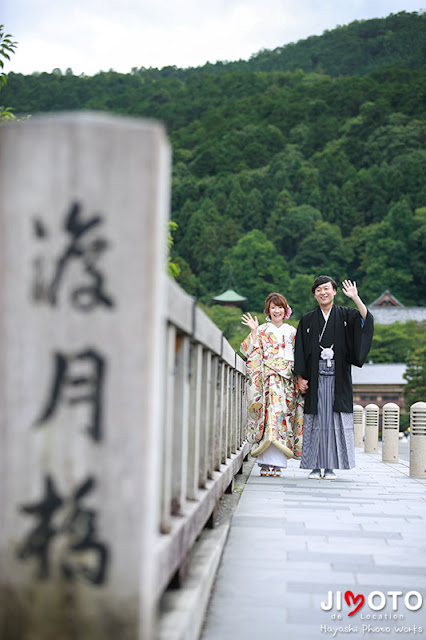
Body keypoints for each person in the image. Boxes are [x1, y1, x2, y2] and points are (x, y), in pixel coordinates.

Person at [294, 276, 374, 479]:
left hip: (338, 379)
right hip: (315, 377)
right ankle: (314, 466)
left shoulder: (347, 315)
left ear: (335, 291)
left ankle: (330, 467)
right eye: (319, 289)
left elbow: (366, 321)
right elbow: (300, 350)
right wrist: (300, 377)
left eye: (326, 289)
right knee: (316, 420)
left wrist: (356, 298)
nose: (323, 293)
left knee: (333, 422)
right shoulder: (307, 320)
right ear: (314, 294)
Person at [240, 292, 304, 477]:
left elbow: (299, 356)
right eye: (273, 307)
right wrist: (253, 330)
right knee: (269, 419)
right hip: (267, 381)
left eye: (280, 307)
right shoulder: (262, 330)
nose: (277, 310)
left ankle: (277, 464)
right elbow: (249, 351)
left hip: (286, 381)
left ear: (286, 310)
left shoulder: (292, 331)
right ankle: (265, 464)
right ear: (268, 310)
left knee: (282, 420)